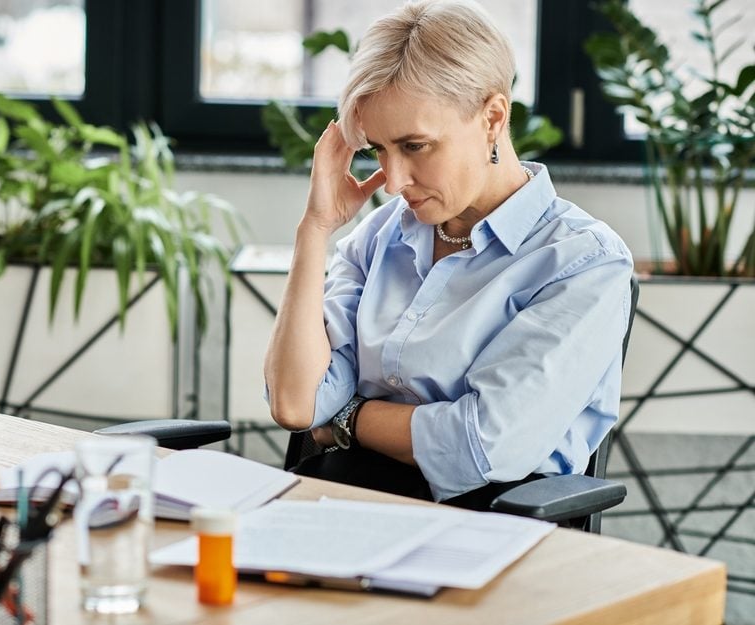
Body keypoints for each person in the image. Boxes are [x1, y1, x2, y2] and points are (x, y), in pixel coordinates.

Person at [263, 0, 634, 511]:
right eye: (378, 149)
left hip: (482, 524)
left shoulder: (580, 262)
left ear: (492, 118)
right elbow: (295, 403)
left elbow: (484, 447)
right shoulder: (380, 237)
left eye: (415, 146)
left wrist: (347, 418)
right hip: (336, 502)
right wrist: (315, 229)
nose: (393, 183)